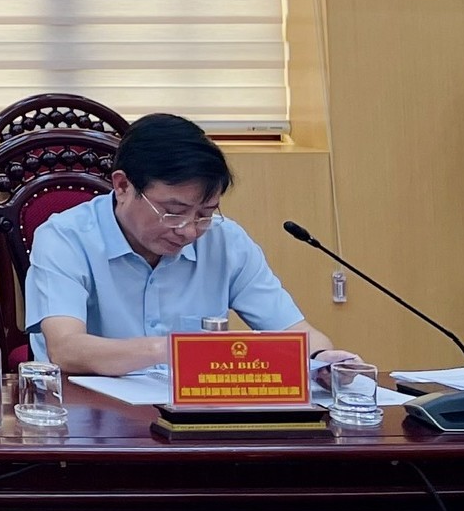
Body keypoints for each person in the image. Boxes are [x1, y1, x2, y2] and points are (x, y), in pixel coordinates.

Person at [24, 112, 360, 375]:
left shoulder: (226, 242)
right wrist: (173, 352)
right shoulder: (65, 237)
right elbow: (65, 349)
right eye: (173, 212)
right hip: (94, 423)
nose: (188, 231)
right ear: (123, 186)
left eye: (205, 213)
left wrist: (323, 360)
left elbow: (298, 333)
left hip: (198, 421)